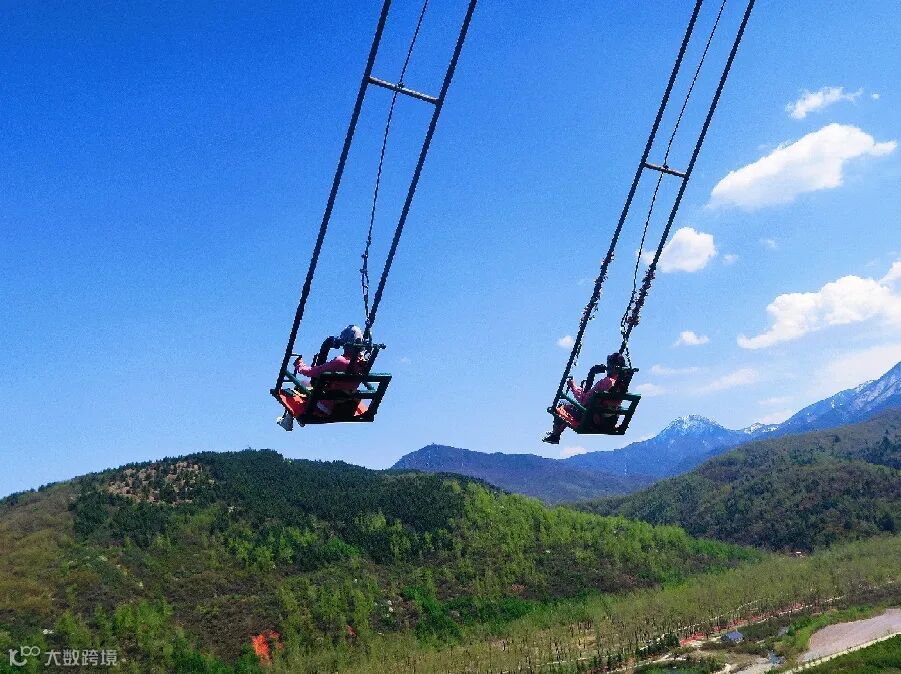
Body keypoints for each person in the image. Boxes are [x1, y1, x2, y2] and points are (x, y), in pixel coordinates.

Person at [276, 325, 368, 430]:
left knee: (301, 385)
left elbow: (311, 372)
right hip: (348, 405)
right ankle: (291, 419)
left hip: (327, 406)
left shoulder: (341, 361)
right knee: (311, 385)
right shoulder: (363, 364)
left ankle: (290, 420)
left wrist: (299, 365)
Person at [542, 352, 625, 444]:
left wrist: (573, 386)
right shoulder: (621, 385)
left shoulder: (606, 382)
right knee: (569, 406)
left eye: (608, 364)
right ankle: (555, 435)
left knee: (562, 403)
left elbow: (584, 400)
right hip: (608, 422)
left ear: (612, 367)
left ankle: (555, 435)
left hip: (591, 419)